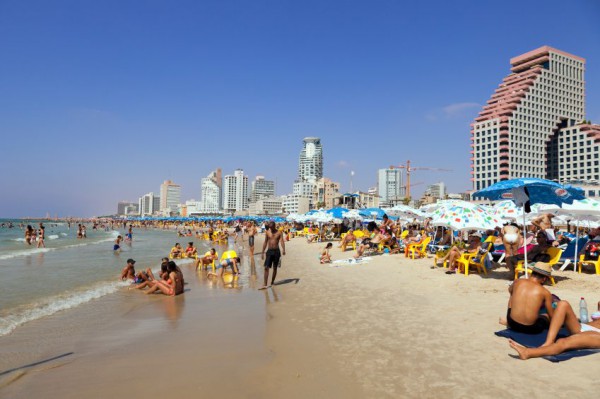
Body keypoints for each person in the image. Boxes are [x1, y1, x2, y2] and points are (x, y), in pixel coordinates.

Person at [509, 301, 600, 360]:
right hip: (582, 327)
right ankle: (549, 341)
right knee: (563, 304)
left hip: (597, 335)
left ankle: (527, 353)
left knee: (563, 341)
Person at [502, 262, 555, 335]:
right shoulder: (545, 292)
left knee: (512, 293)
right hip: (531, 329)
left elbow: (510, 291)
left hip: (512, 323)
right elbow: (552, 316)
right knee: (546, 315)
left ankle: (510, 319)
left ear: (531, 273)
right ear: (544, 279)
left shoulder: (517, 281)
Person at [260, 221, 285, 289]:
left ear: (274, 226)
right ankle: (265, 284)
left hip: (277, 251)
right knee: (266, 267)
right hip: (269, 251)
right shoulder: (267, 232)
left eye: (272, 228)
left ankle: (272, 282)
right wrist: (262, 252)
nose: (271, 229)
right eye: (270, 228)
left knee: (275, 267)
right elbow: (265, 242)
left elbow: (282, 241)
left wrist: (283, 249)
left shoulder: (279, 232)